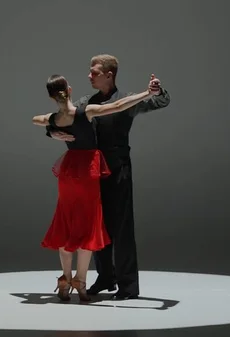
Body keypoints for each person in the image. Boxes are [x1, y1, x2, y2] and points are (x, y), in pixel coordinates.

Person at [45, 54, 171, 300]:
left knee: (121, 227)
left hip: (117, 168)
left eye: (94, 72)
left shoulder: (126, 100)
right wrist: (52, 133)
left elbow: (161, 101)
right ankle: (105, 278)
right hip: (91, 173)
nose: (89, 76)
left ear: (109, 75)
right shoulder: (86, 101)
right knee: (97, 226)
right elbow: (64, 115)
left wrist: (157, 90)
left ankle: (127, 286)